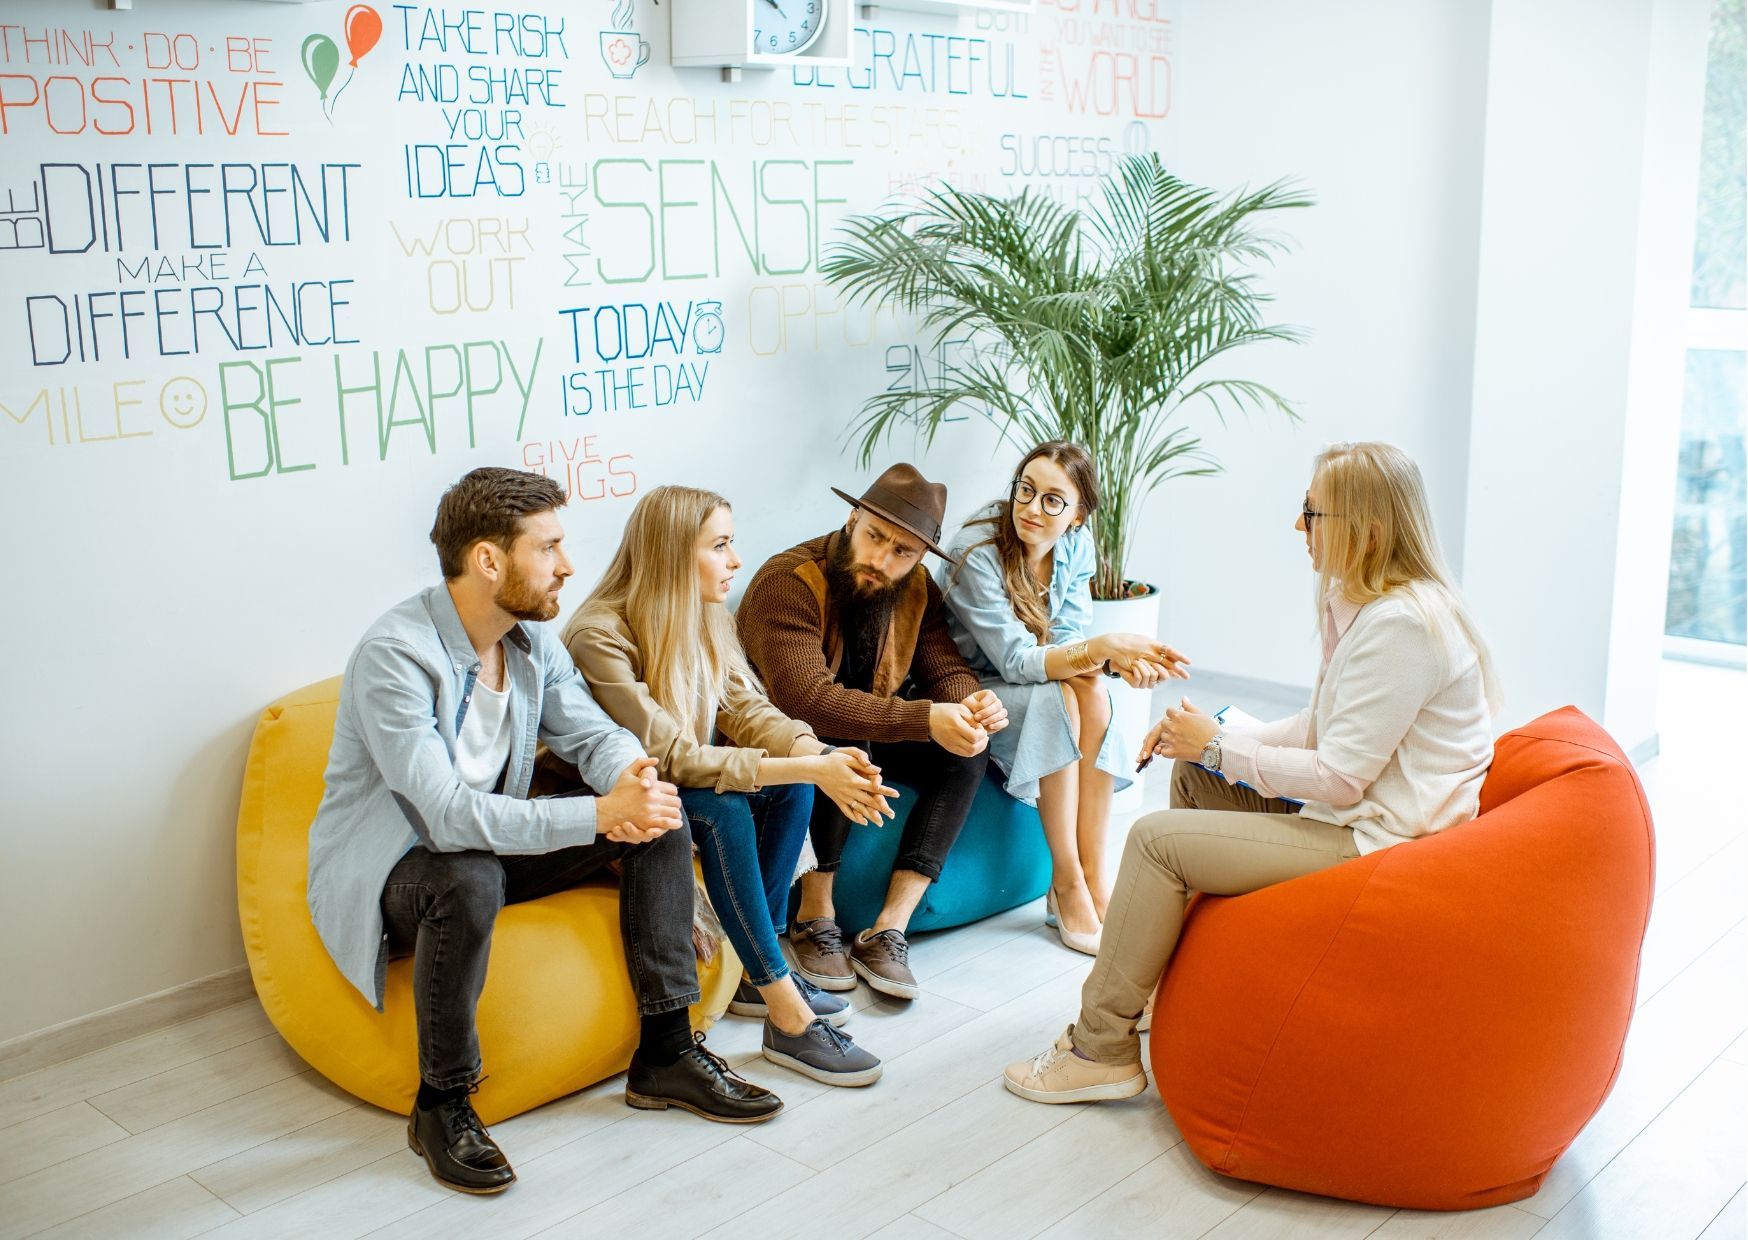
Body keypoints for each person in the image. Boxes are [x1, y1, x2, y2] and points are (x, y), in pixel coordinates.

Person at [306, 468, 780, 1197]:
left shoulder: (532, 643)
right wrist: (597, 813)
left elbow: (593, 736)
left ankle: (667, 1052)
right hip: (395, 869)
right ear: (489, 561)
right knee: (468, 874)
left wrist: (634, 782)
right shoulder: (394, 657)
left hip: (487, 844)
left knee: (656, 816)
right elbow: (445, 818)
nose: (567, 565)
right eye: (549, 547)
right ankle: (442, 1103)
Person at [1003, 441, 1500, 1103]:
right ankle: (1152, 991)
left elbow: (1339, 777)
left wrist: (1217, 744)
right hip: (1358, 817)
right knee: (1196, 780)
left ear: (1368, 531)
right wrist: (1208, 741)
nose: (1299, 527)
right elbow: (1321, 727)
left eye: (1312, 514)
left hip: (1380, 846)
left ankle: (1101, 1046)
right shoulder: (1365, 607)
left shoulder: (1403, 628)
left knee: (1153, 842)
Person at [562, 485, 894, 1087]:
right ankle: (786, 1015)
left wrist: (816, 754)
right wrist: (809, 766)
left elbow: (747, 710)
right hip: (603, 807)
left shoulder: (705, 616)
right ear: (670, 554)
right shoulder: (598, 635)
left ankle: (753, 972)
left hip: (670, 788)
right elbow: (673, 759)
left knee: (790, 789)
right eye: (720, 546)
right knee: (721, 806)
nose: (735, 560)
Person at [738, 463, 1010, 1000]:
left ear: (920, 558)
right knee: (839, 737)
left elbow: (944, 665)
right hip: (783, 747)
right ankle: (814, 915)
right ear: (852, 519)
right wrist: (920, 717)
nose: (882, 560)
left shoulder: (914, 589)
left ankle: (889, 928)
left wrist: (970, 705)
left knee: (966, 749)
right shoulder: (789, 581)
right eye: (874, 537)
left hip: (864, 725)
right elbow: (805, 699)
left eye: (903, 552)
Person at [940, 441, 1189, 955]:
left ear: (1077, 515)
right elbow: (1012, 661)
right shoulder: (976, 553)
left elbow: (1069, 634)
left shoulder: (1074, 546)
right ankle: (1068, 880)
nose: (1033, 509)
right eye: (1026, 491)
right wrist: (1100, 651)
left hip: (1041, 676)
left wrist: (1112, 661)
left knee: (1095, 693)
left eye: (1053, 500)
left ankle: (1095, 871)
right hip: (979, 687)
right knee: (1063, 697)